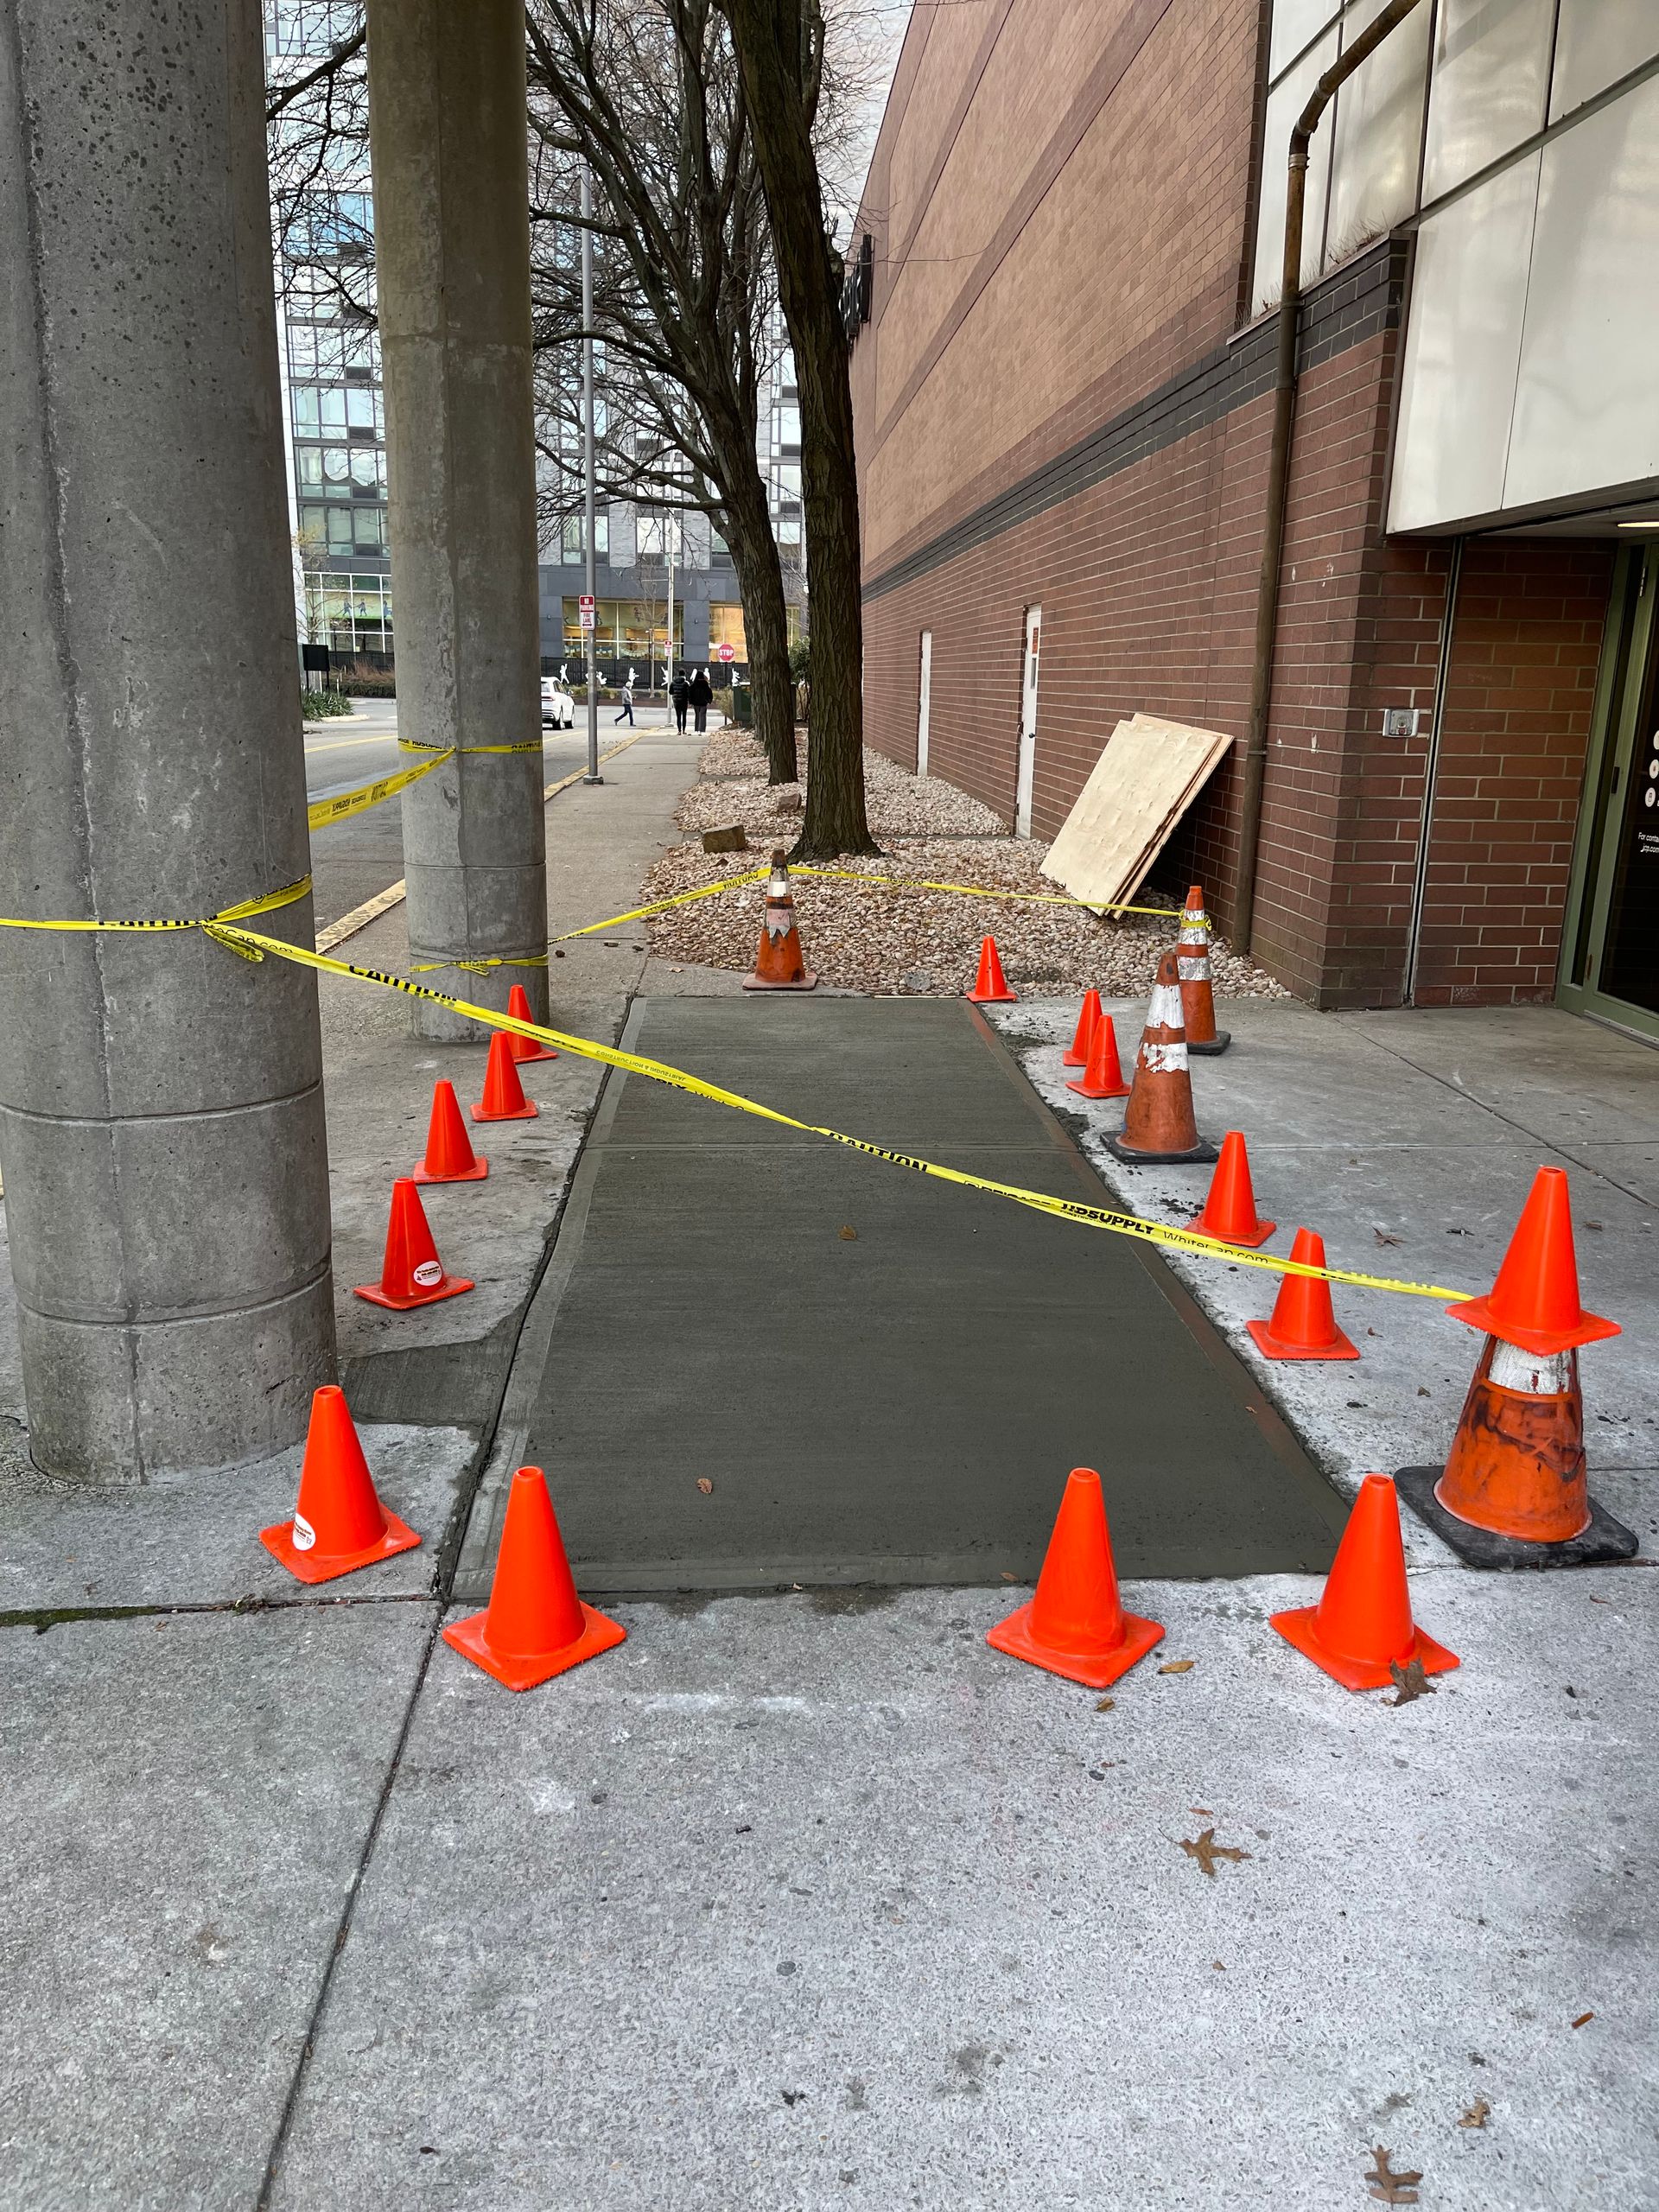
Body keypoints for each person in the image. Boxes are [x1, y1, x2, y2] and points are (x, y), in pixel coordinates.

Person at [689, 664, 712, 734]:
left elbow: (690, 693)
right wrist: (709, 700)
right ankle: (701, 729)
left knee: (697, 715)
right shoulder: (705, 684)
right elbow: (709, 692)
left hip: (695, 702)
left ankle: (696, 728)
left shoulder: (694, 684)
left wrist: (690, 701)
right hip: (703, 702)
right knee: (703, 715)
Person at [670, 667, 690, 734]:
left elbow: (670, 692)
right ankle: (684, 730)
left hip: (676, 701)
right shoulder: (685, 683)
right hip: (684, 701)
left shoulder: (673, 683)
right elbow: (688, 693)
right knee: (684, 716)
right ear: (684, 675)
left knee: (678, 716)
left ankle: (679, 730)